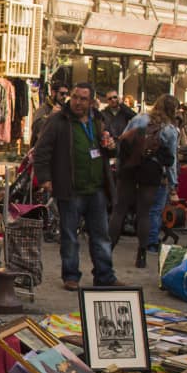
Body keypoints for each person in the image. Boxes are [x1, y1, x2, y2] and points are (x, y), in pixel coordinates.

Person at [34, 82, 124, 290]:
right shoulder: (58, 120)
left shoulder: (99, 121)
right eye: (74, 97)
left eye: (83, 99)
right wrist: (45, 178)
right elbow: (42, 151)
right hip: (70, 189)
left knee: (101, 236)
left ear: (92, 102)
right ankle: (71, 276)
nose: (77, 102)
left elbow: (111, 148)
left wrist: (111, 147)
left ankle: (105, 275)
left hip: (97, 189)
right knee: (69, 236)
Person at [109, 95, 177, 268]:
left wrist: (120, 165)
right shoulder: (169, 129)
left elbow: (122, 142)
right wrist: (173, 184)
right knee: (144, 213)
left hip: (130, 167)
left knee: (119, 210)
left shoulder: (138, 119)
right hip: (151, 171)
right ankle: (141, 254)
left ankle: (108, 249)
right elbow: (172, 160)